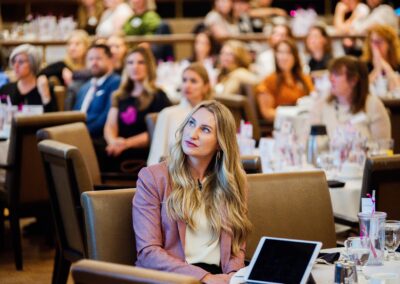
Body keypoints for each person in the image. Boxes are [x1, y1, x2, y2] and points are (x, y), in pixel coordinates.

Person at [133, 100, 251, 283]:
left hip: (219, 276)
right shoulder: (153, 178)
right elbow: (148, 253)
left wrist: (232, 276)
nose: (192, 134)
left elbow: (237, 246)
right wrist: (205, 277)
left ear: (220, 143)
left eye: (205, 130)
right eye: (191, 123)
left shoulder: (233, 182)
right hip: (173, 277)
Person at [102, 46, 171, 171]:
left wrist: (126, 144)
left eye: (141, 62)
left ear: (149, 66)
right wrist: (113, 142)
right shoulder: (119, 95)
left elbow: (156, 132)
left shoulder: (158, 96)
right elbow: (110, 126)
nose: (135, 67)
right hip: (117, 149)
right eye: (130, 62)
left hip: (143, 155)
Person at [310, 56, 391, 141]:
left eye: (337, 74)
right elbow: (309, 142)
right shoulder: (323, 104)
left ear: (353, 80)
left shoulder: (373, 105)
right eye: (331, 74)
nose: (331, 79)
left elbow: (383, 148)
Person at [147, 63, 213, 166]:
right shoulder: (167, 114)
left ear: (206, 87)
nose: (187, 85)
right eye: (184, 80)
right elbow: (156, 155)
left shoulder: (213, 116)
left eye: (193, 81)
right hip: (175, 173)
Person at [256, 39, 314, 121]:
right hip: (283, 125)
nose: (284, 57)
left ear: (295, 56)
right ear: (276, 56)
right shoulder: (269, 81)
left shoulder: (304, 78)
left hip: (306, 120)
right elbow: (267, 113)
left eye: (289, 53)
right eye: (280, 52)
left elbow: (313, 97)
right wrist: (292, 114)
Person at [73, 44, 120, 138]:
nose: (94, 62)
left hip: (97, 137)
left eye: (98, 58)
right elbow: (74, 115)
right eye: (90, 59)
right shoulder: (85, 87)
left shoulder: (116, 82)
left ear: (110, 60)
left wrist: (80, 133)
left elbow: (106, 118)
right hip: (77, 134)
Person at [0, 44, 56, 112]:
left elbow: (53, 119)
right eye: (14, 61)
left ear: (33, 64)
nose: (16, 66)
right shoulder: (5, 89)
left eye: (21, 62)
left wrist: (45, 96)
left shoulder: (45, 88)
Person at [361, 24, 400, 98]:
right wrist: (377, 69)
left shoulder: (398, 63)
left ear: (389, 44)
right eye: (372, 41)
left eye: (379, 41)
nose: (375, 46)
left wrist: (385, 66)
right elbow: (362, 88)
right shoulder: (365, 63)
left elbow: (396, 87)